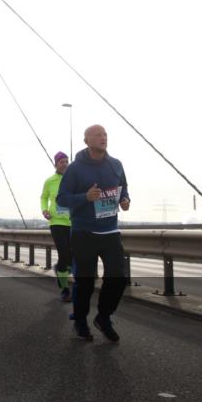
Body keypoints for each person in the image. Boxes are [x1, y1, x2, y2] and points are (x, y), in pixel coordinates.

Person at [57, 124, 130, 343]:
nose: (103, 137)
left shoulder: (116, 165)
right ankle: (80, 321)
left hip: (110, 231)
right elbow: (62, 199)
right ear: (86, 140)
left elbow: (123, 188)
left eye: (105, 134)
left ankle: (104, 317)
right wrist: (85, 197)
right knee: (86, 282)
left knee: (118, 278)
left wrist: (126, 200)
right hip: (84, 232)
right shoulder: (75, 168)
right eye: (98, 134)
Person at [40, 151, 72, 302]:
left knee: (71, 258)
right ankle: (65, 290)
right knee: (64, 254)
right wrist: (44, 210)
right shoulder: (50, 181)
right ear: (56, 164)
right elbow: (44, 197)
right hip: (57, 222)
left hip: (73, 222)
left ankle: (59, 268)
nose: (64, 164)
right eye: (61, 162)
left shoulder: (74, 178)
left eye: (66, 161)